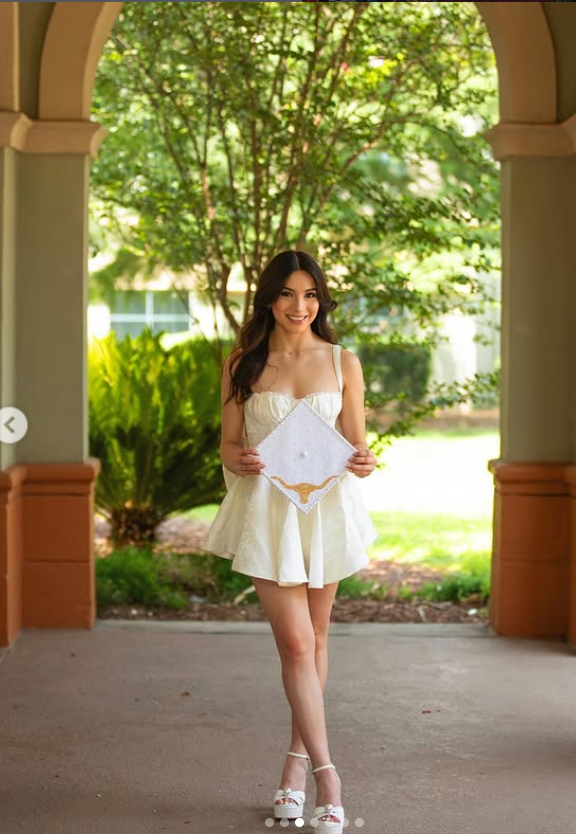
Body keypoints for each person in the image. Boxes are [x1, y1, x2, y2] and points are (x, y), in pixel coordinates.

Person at [203, 250, 378, 833]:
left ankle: (294, 769)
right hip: (268, 513)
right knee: (298, 645)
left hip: (325, 510)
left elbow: (356, 443)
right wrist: (243, 458)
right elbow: (228, 445)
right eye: (285, 294)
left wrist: (364, 460)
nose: (298, 307)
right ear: (268, 299)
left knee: (318, 638)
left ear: (320, 300)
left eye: (308, 295)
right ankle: (330, 775)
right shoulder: (242, 365)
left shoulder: (343, 362)